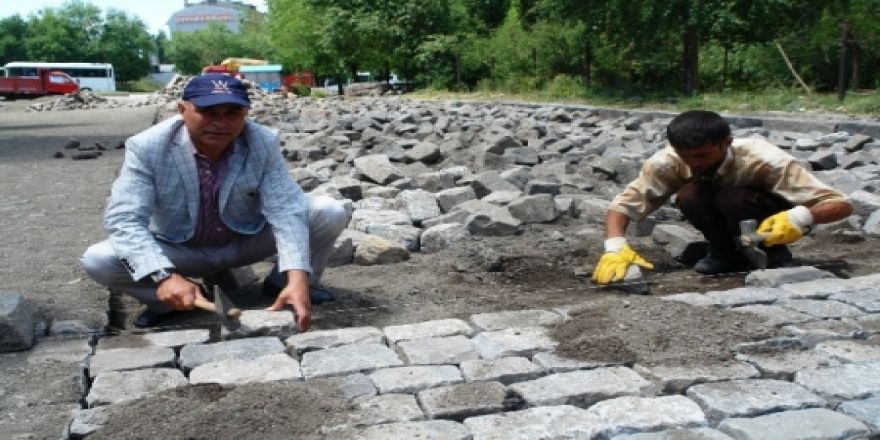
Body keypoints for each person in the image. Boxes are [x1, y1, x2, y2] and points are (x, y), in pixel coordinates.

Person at [81, 74, 350, 331]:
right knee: (99, 259)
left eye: (232, 113)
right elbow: (124, 219)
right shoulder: (147, 147)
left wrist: (298, 274)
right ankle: (168, 300)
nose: (220, 123)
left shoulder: (262, 142)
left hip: (245, 238)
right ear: (182, 109)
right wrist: (164, 275)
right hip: (180, 247)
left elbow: (286, 209)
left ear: (246, 114)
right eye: (208, 112)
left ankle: (283, 285)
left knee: (329, 211)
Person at [592, 110, 853, 284]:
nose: (693, 164)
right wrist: (614, 246)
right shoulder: (666, 163)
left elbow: (840, 204)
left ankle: (771, 255)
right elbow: (623, 206)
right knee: (690, 195)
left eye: (702, 156)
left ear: (726, 143)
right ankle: (725, 254)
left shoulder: (764, 158)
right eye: (685, 156)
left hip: (771, 215)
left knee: (733, 198)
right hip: (718, 206)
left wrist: (801, 216)